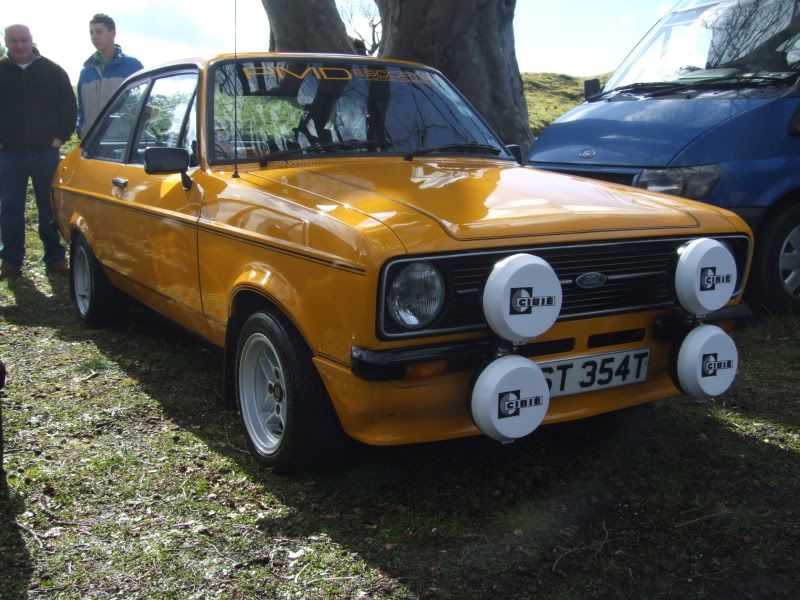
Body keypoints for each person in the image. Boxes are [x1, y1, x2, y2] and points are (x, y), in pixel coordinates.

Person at [0, 24, 76, 280]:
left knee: (50, 207)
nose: (19, 45)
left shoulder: (52, 71)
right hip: (9, 153)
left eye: (23, 40)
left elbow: (69, 107)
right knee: (10, 207)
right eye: (13, 41)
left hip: (46, 152)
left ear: (32, 41)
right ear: (6, 42)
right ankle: (11, 260)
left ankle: (54, 257)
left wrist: (59, 138)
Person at [76, 13, 143, 137]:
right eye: (91, 33)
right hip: (91, 144)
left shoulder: (132, 66)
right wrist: (81, 130)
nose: (94, 37)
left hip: (122, 144)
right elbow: (81, 110)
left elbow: (144, 104)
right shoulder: (85, 72)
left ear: (113, 33)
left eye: (99, 32)